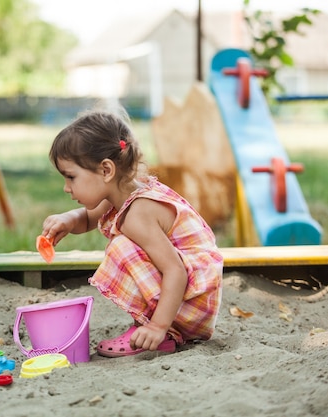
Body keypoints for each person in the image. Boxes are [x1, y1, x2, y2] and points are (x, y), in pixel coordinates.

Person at [40, 110, 223, 357]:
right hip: (186, 295)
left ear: (106, 170)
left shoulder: (138, 213)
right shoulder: (121, 192)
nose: (66, 188)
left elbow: (175, 270)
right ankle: (156, 325)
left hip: (192, 299)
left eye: (71, 177)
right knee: (123, 245)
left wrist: (158, 327)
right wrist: (67, 219)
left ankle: (161, 332)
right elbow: (87, 219)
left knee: (121, 247)